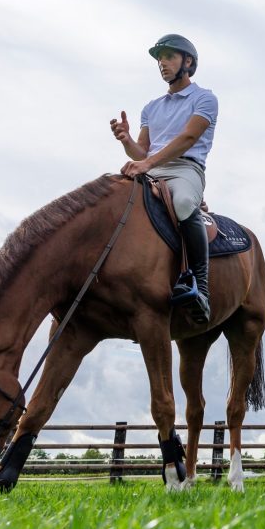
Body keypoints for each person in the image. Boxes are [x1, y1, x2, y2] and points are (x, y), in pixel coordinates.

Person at [110, 34, 219, 323]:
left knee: (183, 203)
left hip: (185, 169)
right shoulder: (151, 107)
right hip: (151, 167)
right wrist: (126, 140)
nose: (162, 63)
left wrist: (146, 162)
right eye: (160, 58)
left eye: (169, 56)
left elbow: (188, 138)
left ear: (188, 62)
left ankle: (202, 290)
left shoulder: (205, 98)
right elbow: (141, 150)